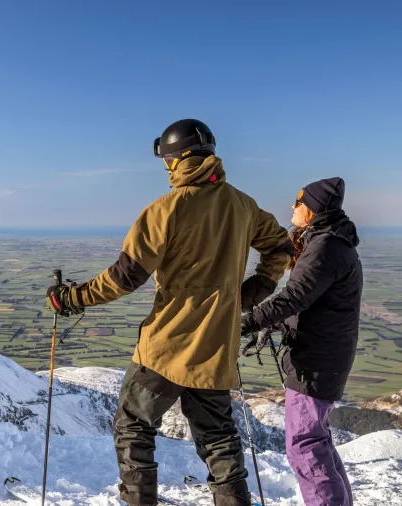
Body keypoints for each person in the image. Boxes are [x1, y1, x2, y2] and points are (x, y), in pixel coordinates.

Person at [46, 119, 294, 506]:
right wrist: (252, 292)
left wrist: (73, 298)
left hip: (166, 346)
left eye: (166, 160)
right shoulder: (243, 205)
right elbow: (281, 248)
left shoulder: (166, 209)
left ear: (174, 159)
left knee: (133, 427)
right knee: (218, 439)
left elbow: (125, 277)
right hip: (215, 349)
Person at [241, 177, 361, 506]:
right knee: (317, 443)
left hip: (315, 362)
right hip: (323, 356)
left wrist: (247, 323)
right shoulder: (332, 242)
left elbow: (294, 296)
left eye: (299, 202)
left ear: (313, 210)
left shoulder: (325, 247)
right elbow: (311, 301)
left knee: (304, 448)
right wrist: (273, 325)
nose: (293, 207)